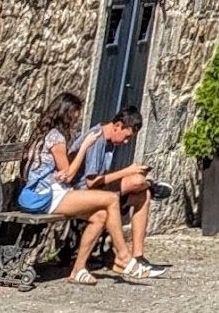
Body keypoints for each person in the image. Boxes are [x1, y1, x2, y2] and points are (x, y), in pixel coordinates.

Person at [16, 98, 136, 285]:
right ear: (66, 113)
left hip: (46, 192)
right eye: (75, 114)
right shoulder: (56, 139)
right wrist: (85, 146)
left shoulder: (47, 133)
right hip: (42, 196)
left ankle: (78, 270)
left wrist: (59, 174)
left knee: (100, 215)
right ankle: (123, 256)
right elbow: (70, 175)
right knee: (111, 199)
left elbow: (58, 173)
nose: (77, 119)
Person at [71, 114, 162, 276]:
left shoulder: (109, 142)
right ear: (117, 125)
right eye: (126, 137)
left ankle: (138, 256)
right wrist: (126, 171)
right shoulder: (97, 140)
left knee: (143, 196)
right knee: (136, 181)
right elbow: (91, 182)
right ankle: (123, 257)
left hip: (99, 190)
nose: (126, 142)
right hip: (80, 192)